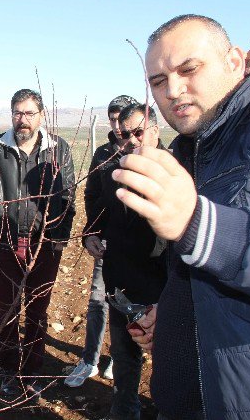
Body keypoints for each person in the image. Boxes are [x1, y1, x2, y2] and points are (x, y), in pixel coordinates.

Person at [114, 15, 250, 419]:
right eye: (159, 81)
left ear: (235, 62)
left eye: (189, 69)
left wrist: (199, 223)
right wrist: (174, 312)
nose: (174, 90)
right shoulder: (191, 148)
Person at [0, 88, 76, 397]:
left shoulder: (59, 149)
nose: (23, 120)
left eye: (30, 113)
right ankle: (8, 370)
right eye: (18, 113)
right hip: (5, 242)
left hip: (44, 245)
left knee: (36, 311)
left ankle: (31, 373)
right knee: (6, 311)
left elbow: (68, 197)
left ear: (41, 116)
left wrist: (58, 236)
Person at [73, 104, 168, 419]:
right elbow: (98, 211)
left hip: (163, 290)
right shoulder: (116, 171)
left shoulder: (176, 171)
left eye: (137, 132)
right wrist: (89, 235)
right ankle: (125, 411)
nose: (129, 140)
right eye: (123, 134)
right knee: (125, 361)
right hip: (121, 284)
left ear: (154, 131)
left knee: (170, 366)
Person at [64, 94, 138, 388]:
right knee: (98, 302)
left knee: (131, 304)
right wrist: (89, 233)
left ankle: (121, 360)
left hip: (138, 249)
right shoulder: (102, 154)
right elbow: (92, 197)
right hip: (106, 244)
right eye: (112, 118)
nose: (117, 124)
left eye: (122, 118)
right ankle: (90, 360)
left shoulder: (147, 152)